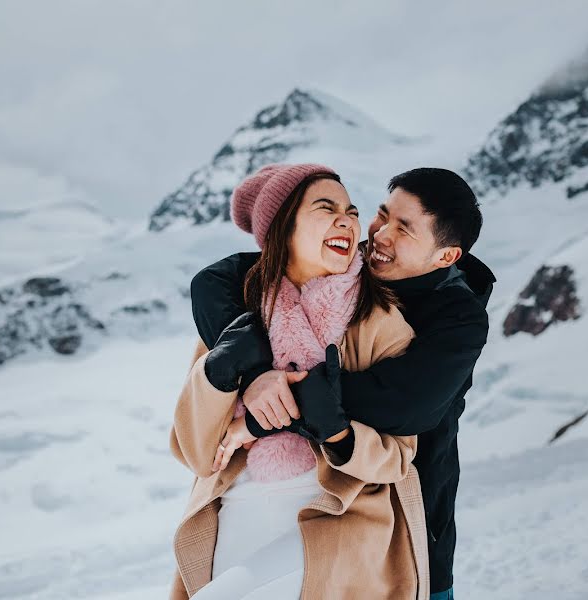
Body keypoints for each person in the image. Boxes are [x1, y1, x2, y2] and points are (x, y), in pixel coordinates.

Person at [191, 167, 495, 599]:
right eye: (381, 215)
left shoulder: (458, 320)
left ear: (445, 256)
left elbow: (400, 407)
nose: (380, 235)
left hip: (409, 513)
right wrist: (255, 368)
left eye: (404, 229)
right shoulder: (353, 264)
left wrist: (265, 415)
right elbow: (214, 281)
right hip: (312, 500)